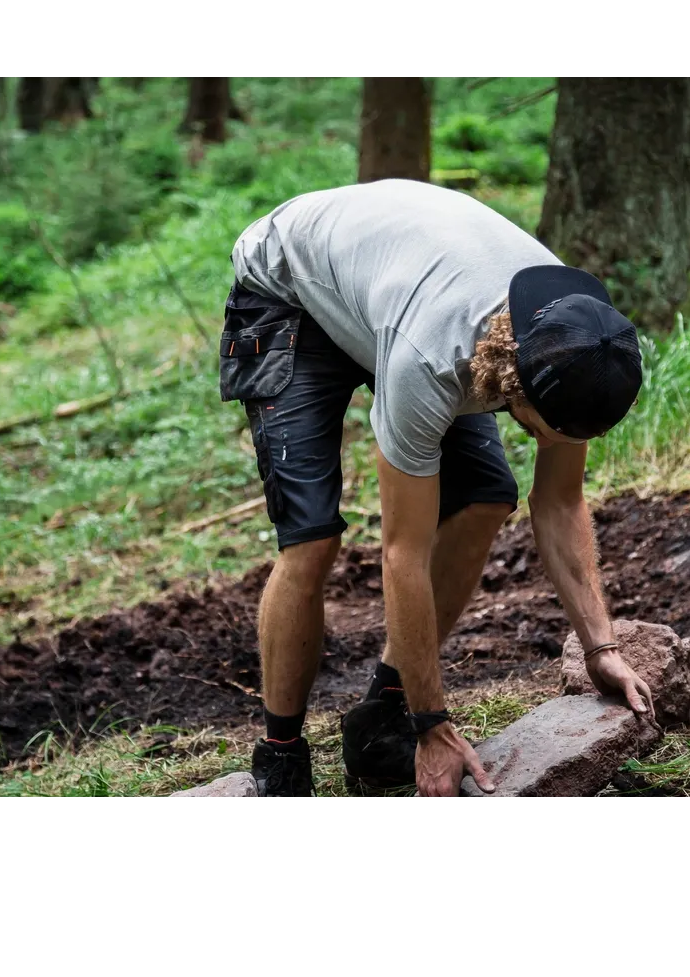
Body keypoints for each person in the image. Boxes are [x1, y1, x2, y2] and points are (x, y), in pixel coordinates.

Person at [219, 179, 655, 800]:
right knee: (312, 538)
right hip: (290, 287)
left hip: (394, 289)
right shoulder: (433, 359)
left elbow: (560, 502)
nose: (548, 443)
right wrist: (434, 725)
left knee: (485, 498)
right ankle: (281, 754)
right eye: (540, 431)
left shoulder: (577, 344)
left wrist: (600, 648)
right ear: (513, 381)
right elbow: (404, 550)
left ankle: (381, 719)